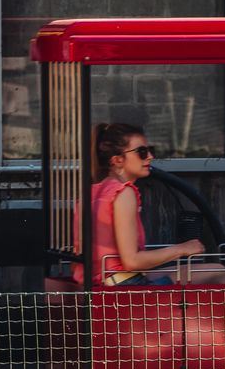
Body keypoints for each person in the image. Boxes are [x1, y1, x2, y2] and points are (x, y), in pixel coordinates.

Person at [73, 122, 209, 285]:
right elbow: (132, 261)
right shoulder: (123, 192)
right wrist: (182, 249)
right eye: (142, 152)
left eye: (150, 150)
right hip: (123, 286)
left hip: (100, 284)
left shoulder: (91, 192)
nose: (150, 156)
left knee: (207, 269)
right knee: (217, 273)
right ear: (117, 160)